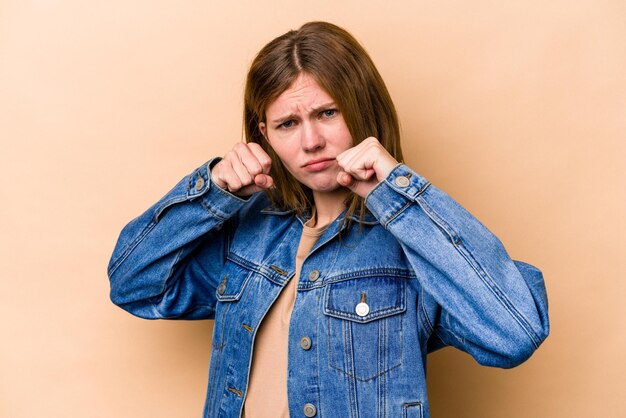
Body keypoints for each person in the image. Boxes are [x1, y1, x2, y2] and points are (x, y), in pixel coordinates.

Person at [107, 21, 549, 418]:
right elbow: (134, 285)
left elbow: (514, 333)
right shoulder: (249, 231)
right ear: (264, 135)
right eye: (287, 124)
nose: (311, 141)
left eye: (327, 113)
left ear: (362, 111)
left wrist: (397, 191)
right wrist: (213, 193)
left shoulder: (415, 241)